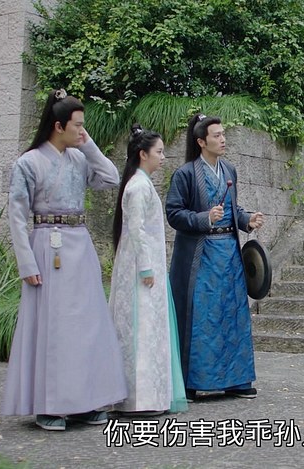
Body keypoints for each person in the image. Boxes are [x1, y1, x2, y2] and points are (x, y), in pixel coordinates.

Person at [2, 88, 127, 431]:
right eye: (78, 125)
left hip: (79, 244)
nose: (82, 130)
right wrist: (26, 263)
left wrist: (89, 145)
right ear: (59, 126)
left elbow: (111, 178)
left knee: (86, 325)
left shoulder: (79, 158)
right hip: (47, 245)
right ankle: (50, 405)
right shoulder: (28, 163)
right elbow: (17, 215)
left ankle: (84, 402)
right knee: (54, 327)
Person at [166, 113, 265, 401]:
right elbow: (174, 213)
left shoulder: (229, 169)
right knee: (200, 317)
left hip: (229, 254)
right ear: (201, 141)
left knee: (233, 314)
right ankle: (192, 381)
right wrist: (204, 217)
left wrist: (247, 220)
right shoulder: (185, 174)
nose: (223, 139)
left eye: (223, 134)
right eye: (217, 135)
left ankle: (237, 380)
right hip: (200, 255)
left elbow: (234, 208)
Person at [109, 124, 188, 415]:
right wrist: (145, 268)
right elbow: (136, 229)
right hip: (141, 268)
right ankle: (140, 398)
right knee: (142, 328)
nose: (163, 157)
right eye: (159, 152)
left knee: (147, 328)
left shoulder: (140, 184)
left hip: (146, 264)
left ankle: (147, 396)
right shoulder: (138, 186)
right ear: (143, 154)